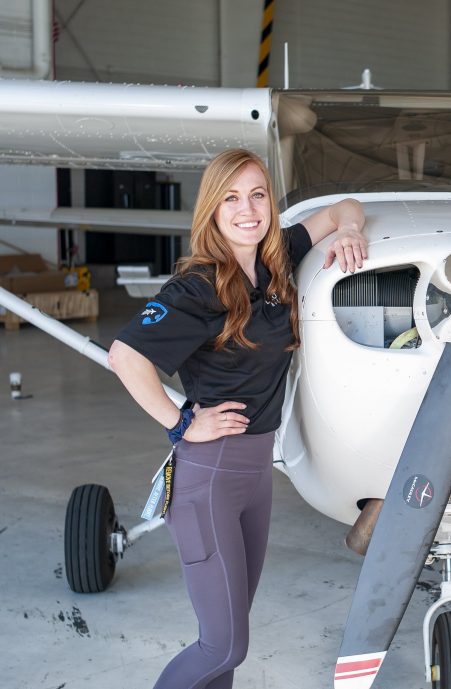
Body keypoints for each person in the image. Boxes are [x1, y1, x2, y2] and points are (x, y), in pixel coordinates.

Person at [108, 148, 367, 689]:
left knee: (228, 648)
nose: (247, 209)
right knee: (222, 643)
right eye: (230, 198)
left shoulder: (277, 259)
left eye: (257, 195)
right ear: (211, 210)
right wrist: (181, 423)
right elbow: (124, 355)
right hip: (209, 478)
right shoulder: (198, 287)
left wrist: (349, 231)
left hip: (256, 476)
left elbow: (344, 206)